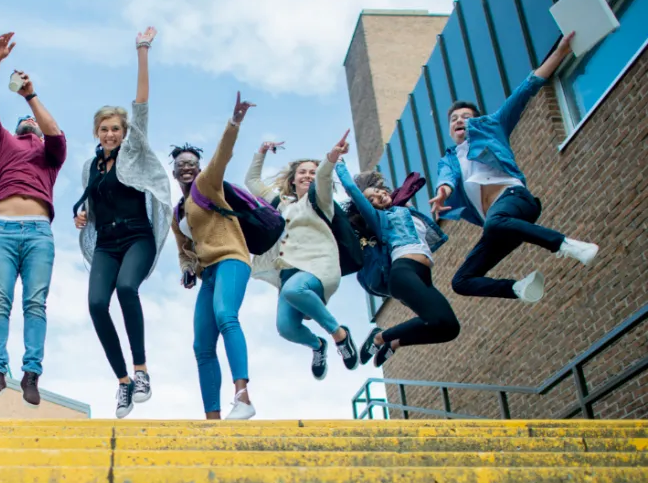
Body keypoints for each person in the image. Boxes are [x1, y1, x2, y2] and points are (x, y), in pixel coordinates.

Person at [430, 32, 599, 303]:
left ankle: (566, 245)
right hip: (499, 225)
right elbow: (446, 177)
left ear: (477, 120)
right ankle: (519, 289)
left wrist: (560, 52)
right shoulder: (449, 158)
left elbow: (524, 91)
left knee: (495, 222)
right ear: (450, 129)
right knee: (461, 281)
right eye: (454, 119)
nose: (459, 121)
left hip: (515, 199)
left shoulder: (493, 126)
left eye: (465, 117)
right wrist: (443, 192)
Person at [72, 27, 172, 419]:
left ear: (125, 132)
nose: (110, 133)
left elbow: (141, 103)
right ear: (96, 133)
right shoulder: (90, 167)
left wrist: (142, 50)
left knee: (127, 288)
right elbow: (94, 206)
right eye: (104, 129)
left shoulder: (134, 153)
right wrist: (84, 216)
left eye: (116, 128)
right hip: (106, 243)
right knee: (97, 304)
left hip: (137, 237)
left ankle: (142, 370)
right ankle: (123, 382)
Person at [0, 32, 67, 408]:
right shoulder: (3, 145)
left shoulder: (50, 153)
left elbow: (56, 134)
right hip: (4, 231)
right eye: (23, 120)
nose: (29, 121)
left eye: (33, 120)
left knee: (35, 304)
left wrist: (30, 96)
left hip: (39, 233)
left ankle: (31, 374)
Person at [245, 132, 359, 381]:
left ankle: (340, 335)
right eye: (302, 172)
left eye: (312, 172)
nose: (308, 175)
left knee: (293, 290)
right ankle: (318, 345)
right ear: (293, 179)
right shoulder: (281, 205)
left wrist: (331, 157)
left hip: (319, 267)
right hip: (288, 273)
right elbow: (252, 182)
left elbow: (324, 175)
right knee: (285, 328)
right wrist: (261, 152)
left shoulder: (321, 200)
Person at [171, 92, 256, 420]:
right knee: (202, 346)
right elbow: (184, 251)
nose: (187, 167)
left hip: (232, 259)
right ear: (175, 172)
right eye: (181, 165)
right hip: (208, 273)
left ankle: (243, 397)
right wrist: (187, 269)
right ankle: (213, 420)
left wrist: (234, 122)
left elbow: (222, 155)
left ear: (199, 168)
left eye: (191, 163)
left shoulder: (207, 184)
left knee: (225, 315)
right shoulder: (177, 212)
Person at [337, 163, 459, 368]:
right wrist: (338, 164)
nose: (378, 196)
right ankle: (378, 338)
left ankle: (394, 343)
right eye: (371, 199)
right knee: (434, 318)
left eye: (378, 191)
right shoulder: (380, 219)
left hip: (423, 276)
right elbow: (352, 190)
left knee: (449, 328)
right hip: (403, 273)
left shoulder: (405, 210)